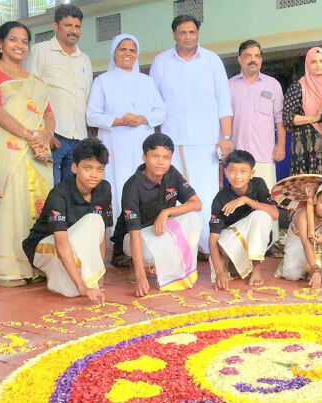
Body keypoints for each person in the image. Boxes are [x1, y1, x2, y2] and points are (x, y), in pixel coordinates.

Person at [0, 21, 54, 286]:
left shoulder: (36, 81)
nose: (20, 45)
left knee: (42, 200)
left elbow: (49, 114)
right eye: (13, 39)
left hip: (38, 149)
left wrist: (46, 134)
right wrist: (30, 135)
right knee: (14, 200)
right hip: (9, 147)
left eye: (24, 41)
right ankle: (10, 268)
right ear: (0, 43)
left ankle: (40, 264)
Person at [149, 15, 233, 257]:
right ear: (174, 34)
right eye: (183, 32)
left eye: (192, 32)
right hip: (172, 140)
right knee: (174, 195)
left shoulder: (212, 60)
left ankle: (207, 246)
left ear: (198, 34)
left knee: (205, 193)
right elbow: (153, 102)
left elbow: (224, 102)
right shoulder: (161, 62)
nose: (188, 37)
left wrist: (226, 137)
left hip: (206, 140)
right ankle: (180, 248)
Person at [86, 34, 166, 233]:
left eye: (132, 50)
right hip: (115, 145)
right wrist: (120, 121)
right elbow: (92, 116)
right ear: (114, 53)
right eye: (123, 49)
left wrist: (142, 118)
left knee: (142, 185)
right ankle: (116, 236)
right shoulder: (102, 81)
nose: (127, 53)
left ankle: (143, 233)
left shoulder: (147, 81)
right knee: (117, 185)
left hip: (141, 144)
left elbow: (161, 112)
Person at [110, 133, 204, 297]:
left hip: (159, 232)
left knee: (194, 218)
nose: (161, 162)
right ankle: (138, 265)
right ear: (144, 157)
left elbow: (197, 204)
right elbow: (134, 234)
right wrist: (141, 277)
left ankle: (167, 267)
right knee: (154, 248)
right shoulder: (132, 186)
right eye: (155, 156)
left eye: (166, 157)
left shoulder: (172, 174)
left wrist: (166, 212)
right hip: (133, 239)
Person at [22, 137, 113, 302]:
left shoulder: (104, 189)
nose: (94, 175)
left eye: (100, 169)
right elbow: (61, 243)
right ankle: (58, 272)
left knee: (96, 222)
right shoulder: (59, 194)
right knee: (74, 289)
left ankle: (69, 276)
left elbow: (100, 238)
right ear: (74, 167)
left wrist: (99, 277)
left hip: (72, 245)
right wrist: (82, 286)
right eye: (88, 168)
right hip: (47, 246)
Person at [25, 4, 92, 185]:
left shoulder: (84, 59)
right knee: (50, 190)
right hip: (52, 137)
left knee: (72, 192)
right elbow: (30, 94)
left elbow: (86, 97)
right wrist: (45, 132)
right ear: (56, 26)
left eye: (77, 26)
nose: (73, 31)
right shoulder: (40, 51)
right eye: (68, 25)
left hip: (78, 139)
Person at [229, 39, 285, 245]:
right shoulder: (229, 86)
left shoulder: (272, 85)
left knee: (268, 199)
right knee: (239, 201)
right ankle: (242, 243)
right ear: (239, 59)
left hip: (264, 153)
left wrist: (280, 145)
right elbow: (224, 119)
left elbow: (280, 119)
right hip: (238, 155)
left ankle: (272, 242)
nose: (253, 60)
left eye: (257, 56)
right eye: (248, 56)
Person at [209, 150, 279, 289]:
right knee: (223, 266)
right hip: (229, 244)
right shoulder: (220, 198)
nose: (237, 176)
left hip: (255, 241)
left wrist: (246, 200)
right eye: (233, 171)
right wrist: (219, 272)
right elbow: (213, 239)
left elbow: (274, 214)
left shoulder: (258, 184)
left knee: (261, 215)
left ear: (252, 173)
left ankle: (256, 270)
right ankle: (231, 263)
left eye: (243, 171)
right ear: (226, 172)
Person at [275, 181, 322, 292]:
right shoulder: (302, 214)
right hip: (299, 243)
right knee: (292, 275)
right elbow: (305, 243)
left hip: (319, 244)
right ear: (315, 200)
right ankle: (290, 265)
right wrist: (315, 270)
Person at [283, 47, 322, 175]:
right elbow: (288, 118)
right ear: (307, 64)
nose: (318, 65)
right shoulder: (298, 87)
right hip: (305, 148)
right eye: (313, 62)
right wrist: (314, 118)